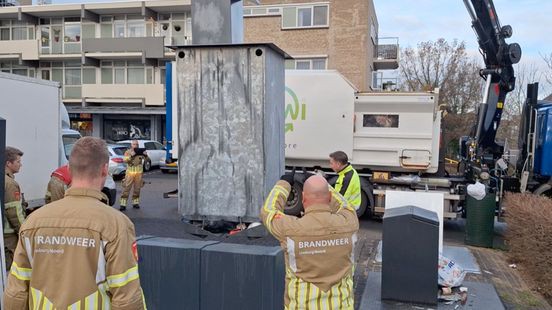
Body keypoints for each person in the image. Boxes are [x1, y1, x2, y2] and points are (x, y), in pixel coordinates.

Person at [3, 137, 146, 309]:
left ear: (69, 169)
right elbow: (127, 299)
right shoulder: (115, 224)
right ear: (105, 170)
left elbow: (16, 292)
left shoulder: (33, 222)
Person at [261, 174, 359, 309]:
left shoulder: (290, 228)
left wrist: (284, 184)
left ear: (303, 198)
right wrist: (323, 184)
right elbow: (345, 205)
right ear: (329, 197)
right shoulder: (350, 222)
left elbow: (268, 211)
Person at [3, 147, 26, 270]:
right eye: (18, 161)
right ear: (8, 163)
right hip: (9, 236)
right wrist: (24, 232)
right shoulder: (10, 184)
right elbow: (14, 213)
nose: (20, 165)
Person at [119, 140, 147, 211]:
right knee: (126, 188)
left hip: (138, 174)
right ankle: (123, 204)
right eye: (134, 144)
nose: (135, 145)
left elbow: (147, 160)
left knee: (137, 189)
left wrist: (145, 155)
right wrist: (131, 155)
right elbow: (125, 160)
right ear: (131, 145)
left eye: (137, 144)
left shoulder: (140, 152)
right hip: (130, 174)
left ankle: (135, 203)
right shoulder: (128, 152)